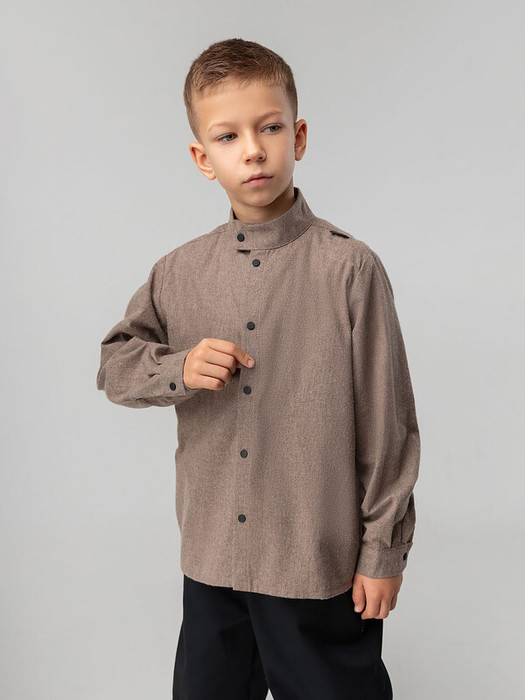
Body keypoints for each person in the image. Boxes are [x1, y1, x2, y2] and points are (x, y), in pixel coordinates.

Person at [96, 37, 420, 700]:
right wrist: (179, 367)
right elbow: (115, 367)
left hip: (315, 562)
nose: (252, 150)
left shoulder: (349, 269)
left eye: (269, 128)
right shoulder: (178, 272)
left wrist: (383, 551)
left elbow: (388, 427)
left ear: (297, 137)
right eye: (227, 136)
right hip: (212, 562)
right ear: (202, 158)